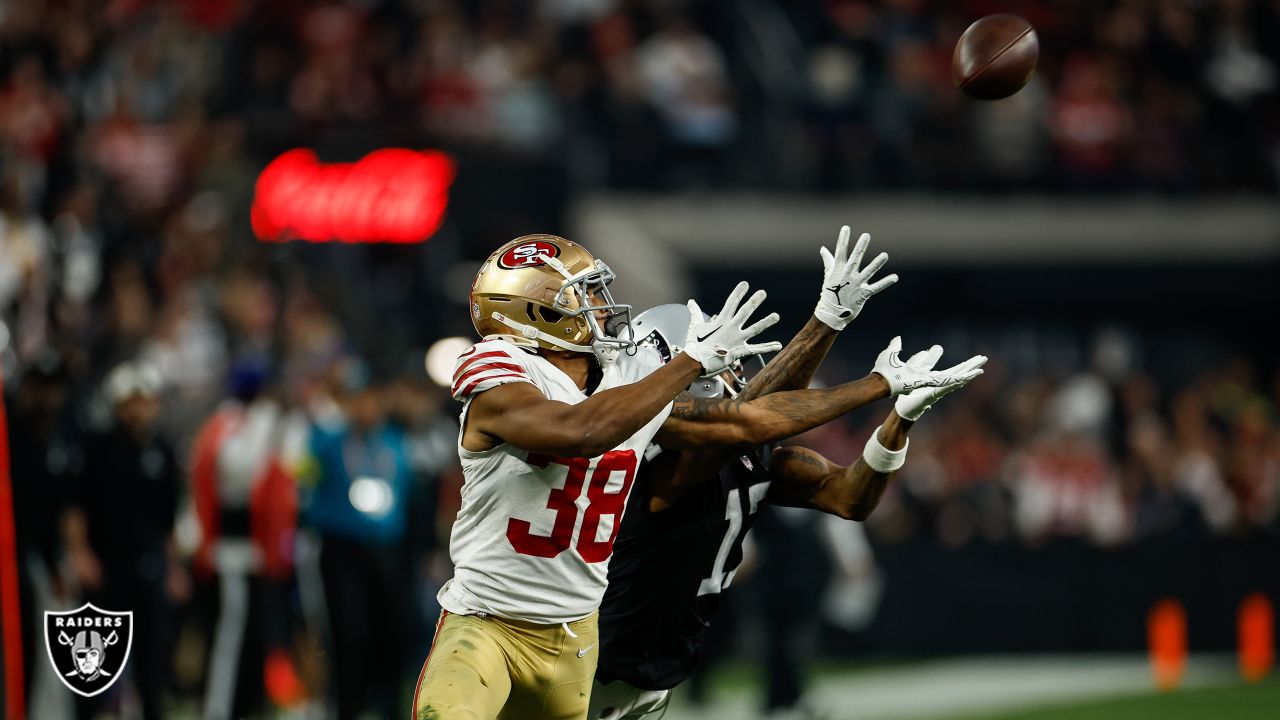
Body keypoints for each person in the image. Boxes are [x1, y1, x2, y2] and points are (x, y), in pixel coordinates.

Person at [412, 233, 976, 720]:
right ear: (535, 316)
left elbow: (753, 421)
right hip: (512, 623)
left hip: (582, 637)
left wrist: (884, 392)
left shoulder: (631, 387)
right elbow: (590, 430)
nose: (604, 309)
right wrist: (689, 363)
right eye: (583, 298)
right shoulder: (507, 373)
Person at [590, 228, 985, 719]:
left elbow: (850, 498)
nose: (735, 368)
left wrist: (898, 421)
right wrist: (851, 351)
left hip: (653, 671)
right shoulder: (656, 444)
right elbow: (750, 421)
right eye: (719, 359)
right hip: (594, 666)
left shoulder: (747, 453)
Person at [63, 360, 189, 720]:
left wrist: (174, 567)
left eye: (145, 400)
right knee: (92, 665)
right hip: (105, 567)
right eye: (131, 401)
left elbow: (169, 519)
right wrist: (81, 552)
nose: (138, 409)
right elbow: (75, 506)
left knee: (152, 662)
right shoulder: (97, 448)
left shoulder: (162, 451)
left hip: (148, 565)